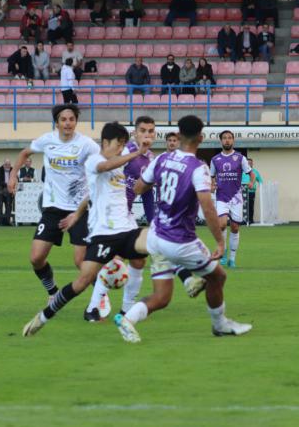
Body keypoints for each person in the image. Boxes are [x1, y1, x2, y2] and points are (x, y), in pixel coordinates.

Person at [115, 115, 253, 343]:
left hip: (156, 236)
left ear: (178, 136)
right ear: (201, 138)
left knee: (162, 296)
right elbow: (208, 208)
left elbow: (138, 188)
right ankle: (220, 324)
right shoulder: (198, 169)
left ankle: (127, 319)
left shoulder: (161, 160)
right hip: (180, 241)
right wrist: (220, 242)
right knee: (218, 277)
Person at [20, 121, 153, 337]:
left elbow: (90, 194)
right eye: (118, 145)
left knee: (158, 243)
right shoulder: (94, 160)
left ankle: (132, 310)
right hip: (104, 235)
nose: (120, 150)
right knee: (81, 282)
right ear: (106, 142)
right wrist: (137, 152)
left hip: (126, 229)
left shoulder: (118, 163)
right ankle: (43, 317)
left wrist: (76, 215)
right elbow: (103, 168)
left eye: (123, 146)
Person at [7, 104, 99, 323]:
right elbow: (24, 153)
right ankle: (52, 291)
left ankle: (99, 299)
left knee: (81, 262)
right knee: (36, 257)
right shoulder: (47, 140)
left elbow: (102, 162)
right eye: (63, 119)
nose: (67, 123)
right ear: (56, 123)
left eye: (71, 119)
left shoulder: (86, 144)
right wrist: (13, 175)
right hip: (52, 208)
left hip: (79, 208)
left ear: (76, 122)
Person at [82, 117, 158, 321]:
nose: (147, 135)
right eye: (142, 130)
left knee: (139, 260)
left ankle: (126, 310)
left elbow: (147, 193)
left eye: (151, 131)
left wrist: (153, 220)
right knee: (113, 262)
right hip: (108, 218)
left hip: (126, 215)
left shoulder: (149, 158)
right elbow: (104, 168)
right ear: (135, 133)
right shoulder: (123, 151)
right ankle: (93, 307)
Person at [210, 130, 254, 268]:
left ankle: (232, 259)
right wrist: (212, 185)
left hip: (236, 197)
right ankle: (223, 253)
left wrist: (251, 182)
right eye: (224, 138)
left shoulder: (240, 158)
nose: (227, 140)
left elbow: (250, 173)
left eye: (229, 138)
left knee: (235, 228)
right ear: (221, 141)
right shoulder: (215, 160)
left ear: (233, 140)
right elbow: (211, 177)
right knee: (222, 224)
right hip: (221, 197)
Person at [0, 159, 14, 226]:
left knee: (9, 206)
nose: (8, 166)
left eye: (9, 164)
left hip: (9, 191)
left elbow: (16, 178)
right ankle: (2, 222)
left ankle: (7, 221)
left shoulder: (12, 170)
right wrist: (8, 184)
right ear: (3, 164)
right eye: (6, 164)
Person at [241, 158, 263, 225]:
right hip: (243, 191)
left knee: (250, 206)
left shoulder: (255, 172)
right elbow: (238, 181)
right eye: (248, 163)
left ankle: (250, 220)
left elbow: (260, 181)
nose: (249, 164)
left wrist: (258, 186)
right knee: (243, 206)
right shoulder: (242, 172)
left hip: (251, 192)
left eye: (250, 163)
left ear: (252, 164)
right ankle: (244, 220)